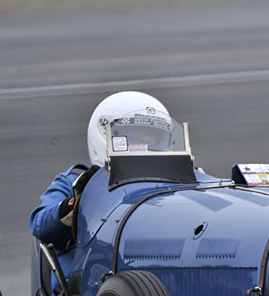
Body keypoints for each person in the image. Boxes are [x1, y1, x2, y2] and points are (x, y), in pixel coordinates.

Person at [29, 91, 176, 246]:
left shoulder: (172, 183)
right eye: (139, 133)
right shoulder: (75, 182)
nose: (148, 140)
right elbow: (40, 224)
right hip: (90, 262)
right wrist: (78, 202)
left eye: (154, 135)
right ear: (107, 133)